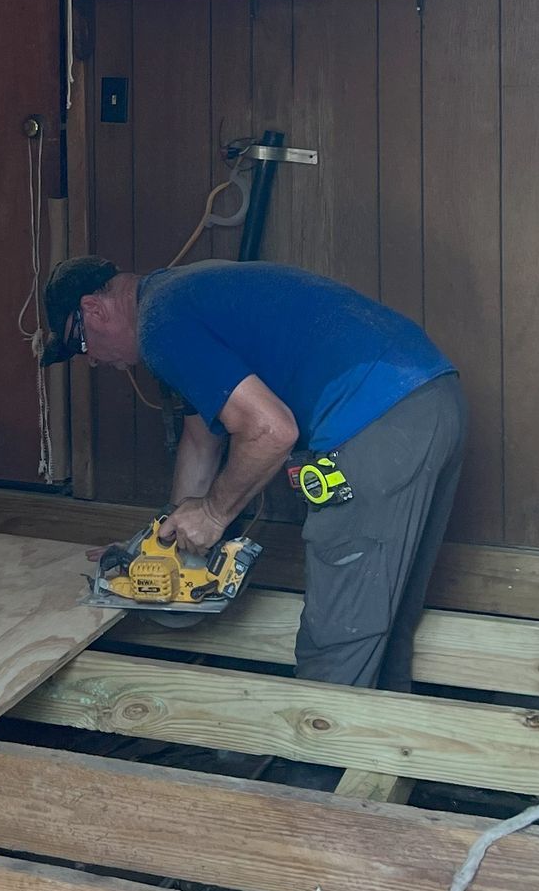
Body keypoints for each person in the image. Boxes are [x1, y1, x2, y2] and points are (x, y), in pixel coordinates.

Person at [42, 256, 466, 692]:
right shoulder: (177, 295)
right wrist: (155, 546)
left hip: (376, 422)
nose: (89, 360)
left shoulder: (160, 325)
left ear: (94, 309)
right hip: (431, 395)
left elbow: (271, 430)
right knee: (384, 617)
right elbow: (200, 442)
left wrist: (212, 514)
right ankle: (382, 755)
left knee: (341, 635)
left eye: (79, 345)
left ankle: (318, 758)